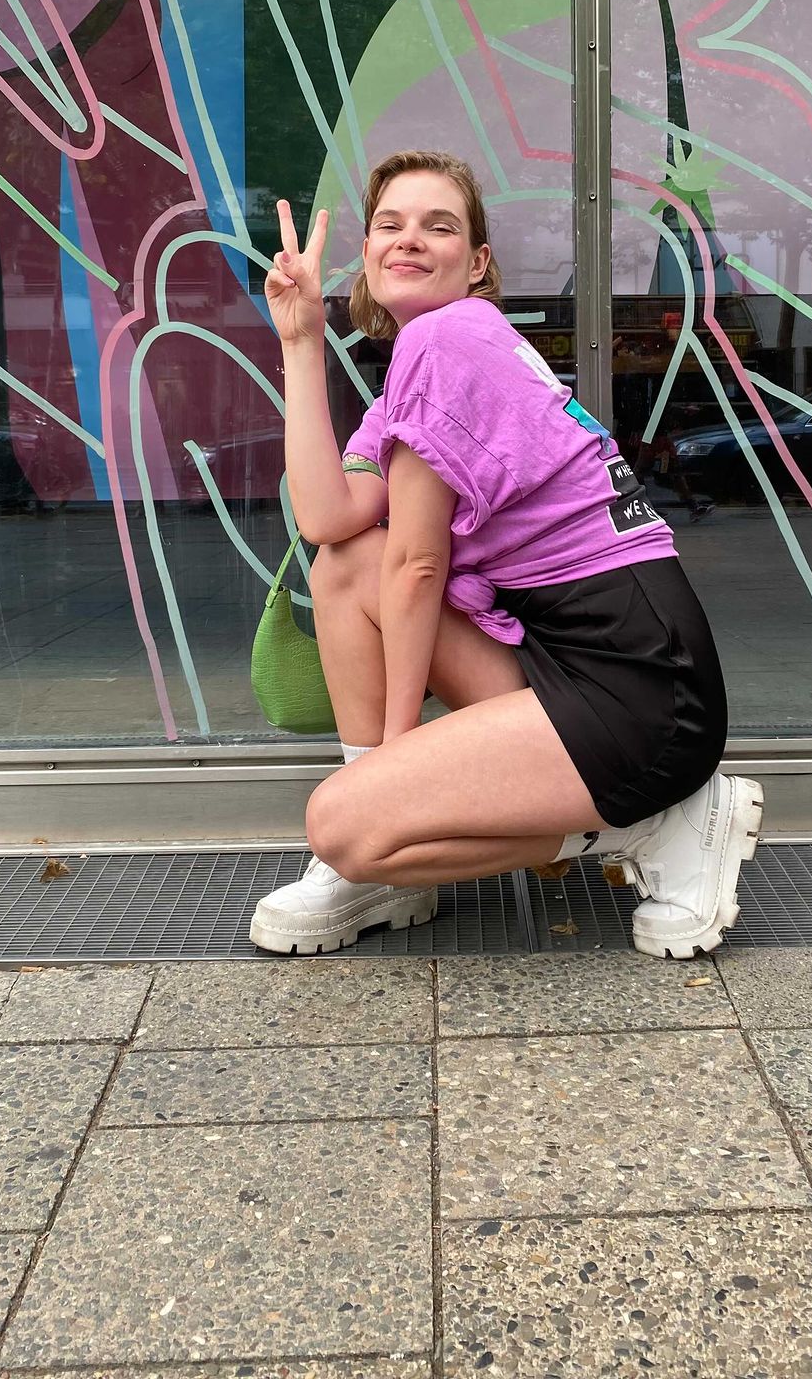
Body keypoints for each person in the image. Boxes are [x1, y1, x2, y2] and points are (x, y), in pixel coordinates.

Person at [248, 150, 762, 958]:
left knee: (343, 824)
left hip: (640, 688)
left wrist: (386, 766)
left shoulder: (447, 341)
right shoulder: (421, 370)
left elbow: (418, 568)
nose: (409, 239)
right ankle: (380, 865)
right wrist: (302, 340)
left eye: (438, 226)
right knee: (345, 565)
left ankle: (656, 825)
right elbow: (327, 517)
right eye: (390, 224)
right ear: (368, 252)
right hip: (577, 659)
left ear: (478, 262)